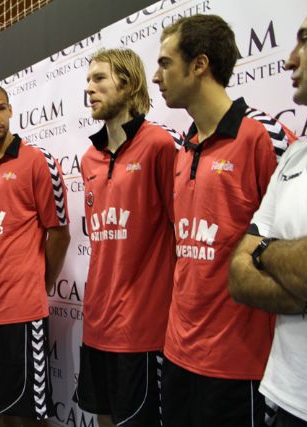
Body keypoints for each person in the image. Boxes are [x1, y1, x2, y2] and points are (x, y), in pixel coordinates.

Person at [152, 14, 296, 426]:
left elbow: (301, 245)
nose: (157, 77)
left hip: (239, 363)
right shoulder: (183, 148)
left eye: (165, 63)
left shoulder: (263, 136)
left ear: (199, 65)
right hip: (177, 354)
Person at [228, 2, 307, 425]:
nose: (289, 59)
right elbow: (239, 274)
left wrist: (266, 251)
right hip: (286, 397)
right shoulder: (298, 155)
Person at [0, 83, 71, 427]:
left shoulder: (36, 161)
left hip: (19, 313)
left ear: (10, 110)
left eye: (1, 108)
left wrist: (39, 284)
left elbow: (59, 233)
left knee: (28, 413)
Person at [76, 48, 181, 427]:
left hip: (144, 329)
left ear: (128, 83)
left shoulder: (160, 145)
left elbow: (182, 233)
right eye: (88, 80)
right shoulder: (88, 158)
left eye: (99, 78)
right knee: (103, 418)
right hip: (97, 323)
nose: (89, 88)